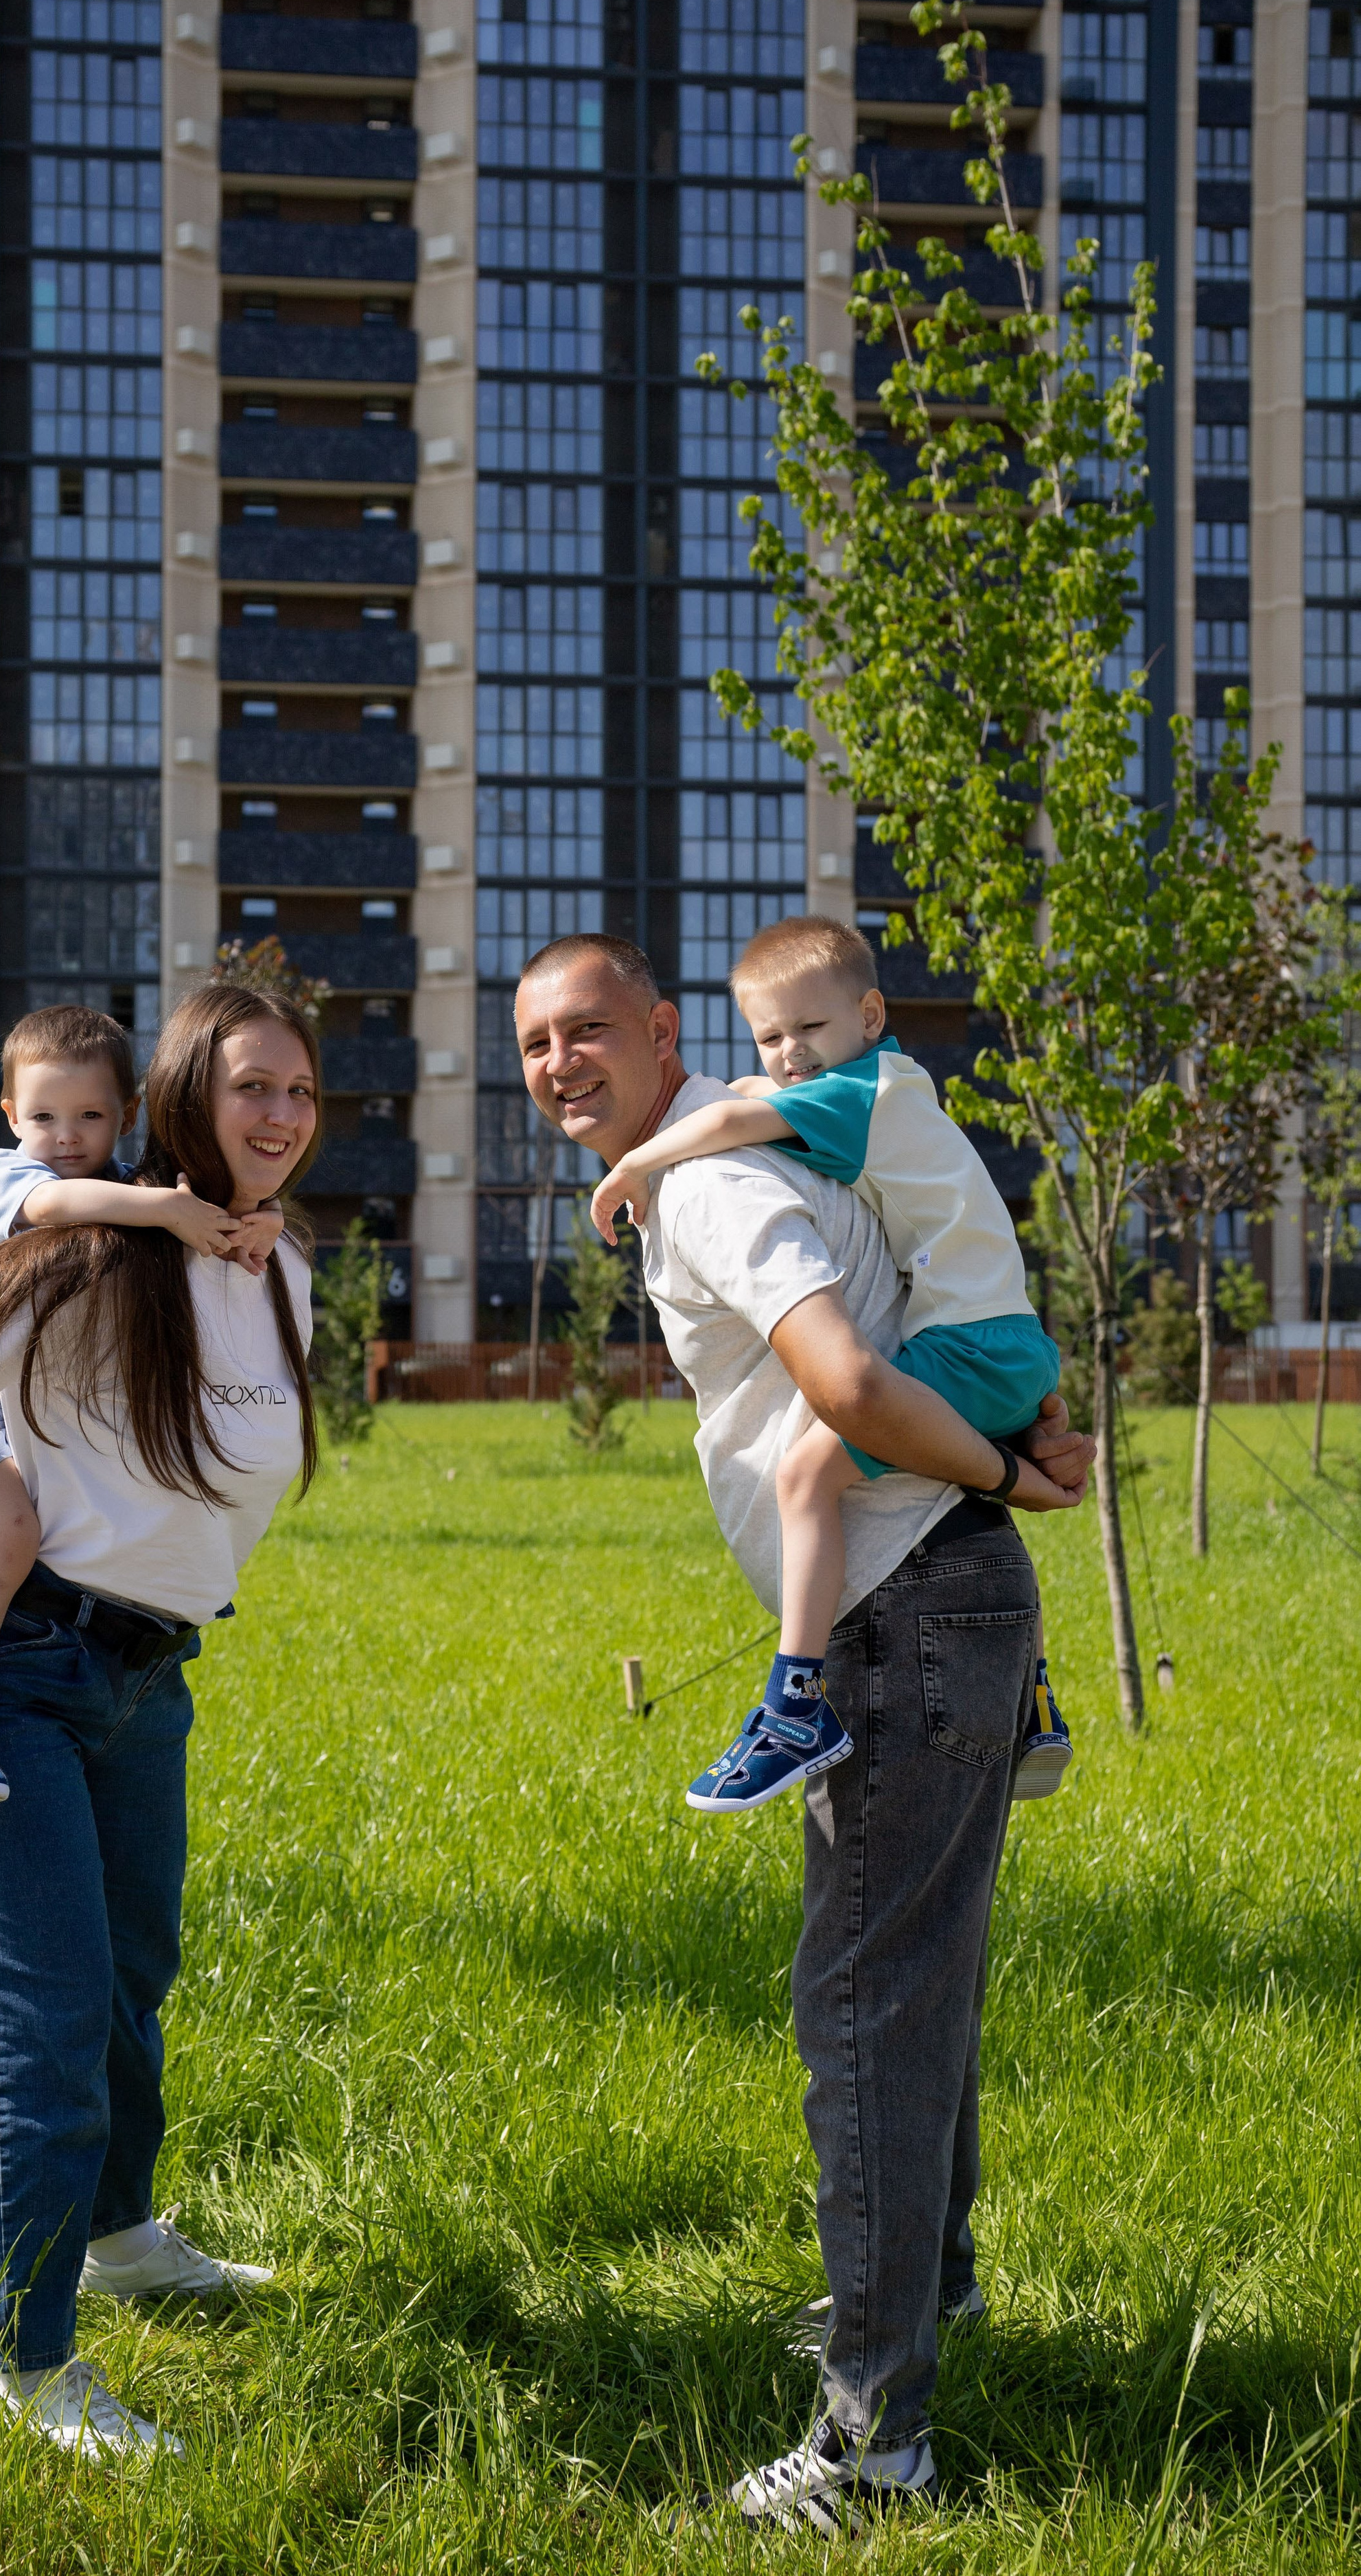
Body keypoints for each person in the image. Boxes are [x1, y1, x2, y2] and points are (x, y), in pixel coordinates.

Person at [513, 932, 1093, 2540]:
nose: (558, 1064)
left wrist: (1006, 1471)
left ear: (661, 1031)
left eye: (585, 1030)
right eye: (533, 1044)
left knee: (859, 2007)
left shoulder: (710, 1183)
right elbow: (932, 1276)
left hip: (904, 1614)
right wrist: (1017, 1436)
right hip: (945, 1598)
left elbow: (841, 1383)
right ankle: (925, 2296)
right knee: (913, 1986)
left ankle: (869, 2445)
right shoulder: (769, 1141)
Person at [0, 982, 321, 2461]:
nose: (281, 1115)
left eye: (302, 1090)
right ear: (183, 1095)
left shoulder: (278, 1271)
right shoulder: (86, 1248)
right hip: (9, 1674)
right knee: (37, 2016)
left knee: (126, 1983)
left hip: (145, 1677)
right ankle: (32, 2355)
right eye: (250, 1085)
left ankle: (117, 2238)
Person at [586, 916, 1071, 1817]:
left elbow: (732, 1116)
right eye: (770, 1037)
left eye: (810, 1028)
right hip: (1006, 1339)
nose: (791, 1054)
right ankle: (1035, 1698)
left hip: (968, 1344)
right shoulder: (891, 1087)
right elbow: (753, 1099)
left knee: (807, 1473)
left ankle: (794, 1704)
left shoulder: (859, 1096)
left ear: (870, 1015)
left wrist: (635, 1167)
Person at [0, 1003, 281, 1805]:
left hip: (44, 1437)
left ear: (128, 1115)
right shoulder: (12, 1176)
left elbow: (204, 1206)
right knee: (8, 1541)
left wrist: (260, 1218)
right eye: (43, 1117)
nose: (65, 1137)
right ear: (11, 1115)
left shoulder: (125, 1188)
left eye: (91, 1117)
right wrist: (168, 1210)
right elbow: (54, 1211)